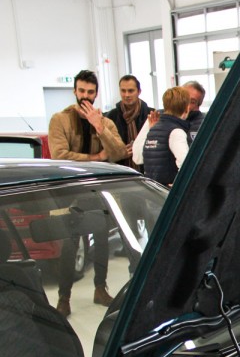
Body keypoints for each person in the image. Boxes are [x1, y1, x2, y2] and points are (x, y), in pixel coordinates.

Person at [48, 69, 127, 317]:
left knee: (102, 242)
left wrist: (99, 127)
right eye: (81, 91)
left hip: (98, 192)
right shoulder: (59, 120)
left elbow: (118, 153)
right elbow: (59, 156)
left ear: (96, 93)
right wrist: (95, 158)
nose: (85, 96)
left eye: (90, 92)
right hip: (70, 193)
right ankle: (64, 297)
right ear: (74, 90)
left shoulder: (106, 121)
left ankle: (100, 289)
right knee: (69, 246)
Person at [133, 86, 191, 187]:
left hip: (153, 191)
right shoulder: (176, 131)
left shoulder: (152, 129)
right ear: (187, 108)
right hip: (168, 192)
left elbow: (137, 158)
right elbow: (185, 164)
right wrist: (179, 185)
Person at [105, 74, 154, 170]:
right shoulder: (111, 117)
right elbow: (107, 146)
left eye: (131, 91)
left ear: (139, 91)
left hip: (147, 169)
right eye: (123, 91)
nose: (126, 95)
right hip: (120, 170)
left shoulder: (151, 115)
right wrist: (120, 152)